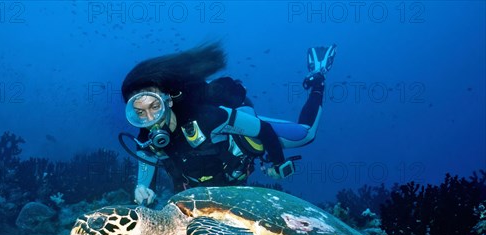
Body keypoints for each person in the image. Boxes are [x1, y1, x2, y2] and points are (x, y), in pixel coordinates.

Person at [121, 42, 336, 206]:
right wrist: (142, 191)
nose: (150, 119)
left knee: (306, 135)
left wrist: (278, 163)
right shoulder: (147, 143)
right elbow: (145, 187)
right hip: (214, 190)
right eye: (139, 112)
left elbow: (264, 130)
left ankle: (318, 77)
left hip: (240, 133)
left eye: (155, 106)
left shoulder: (208, 118)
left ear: (168, 100)